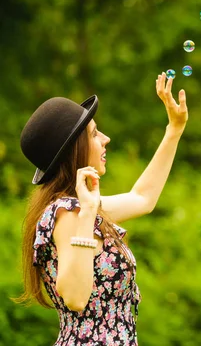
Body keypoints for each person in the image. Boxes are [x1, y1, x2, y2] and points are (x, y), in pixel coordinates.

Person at [15, 72, 187, 345]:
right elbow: (75, 297)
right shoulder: (70, 213)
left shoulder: (77, 207)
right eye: (95, 134)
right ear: (75, 149)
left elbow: (143, 198)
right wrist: (87, 214)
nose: (105, 139)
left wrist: (174, 130)